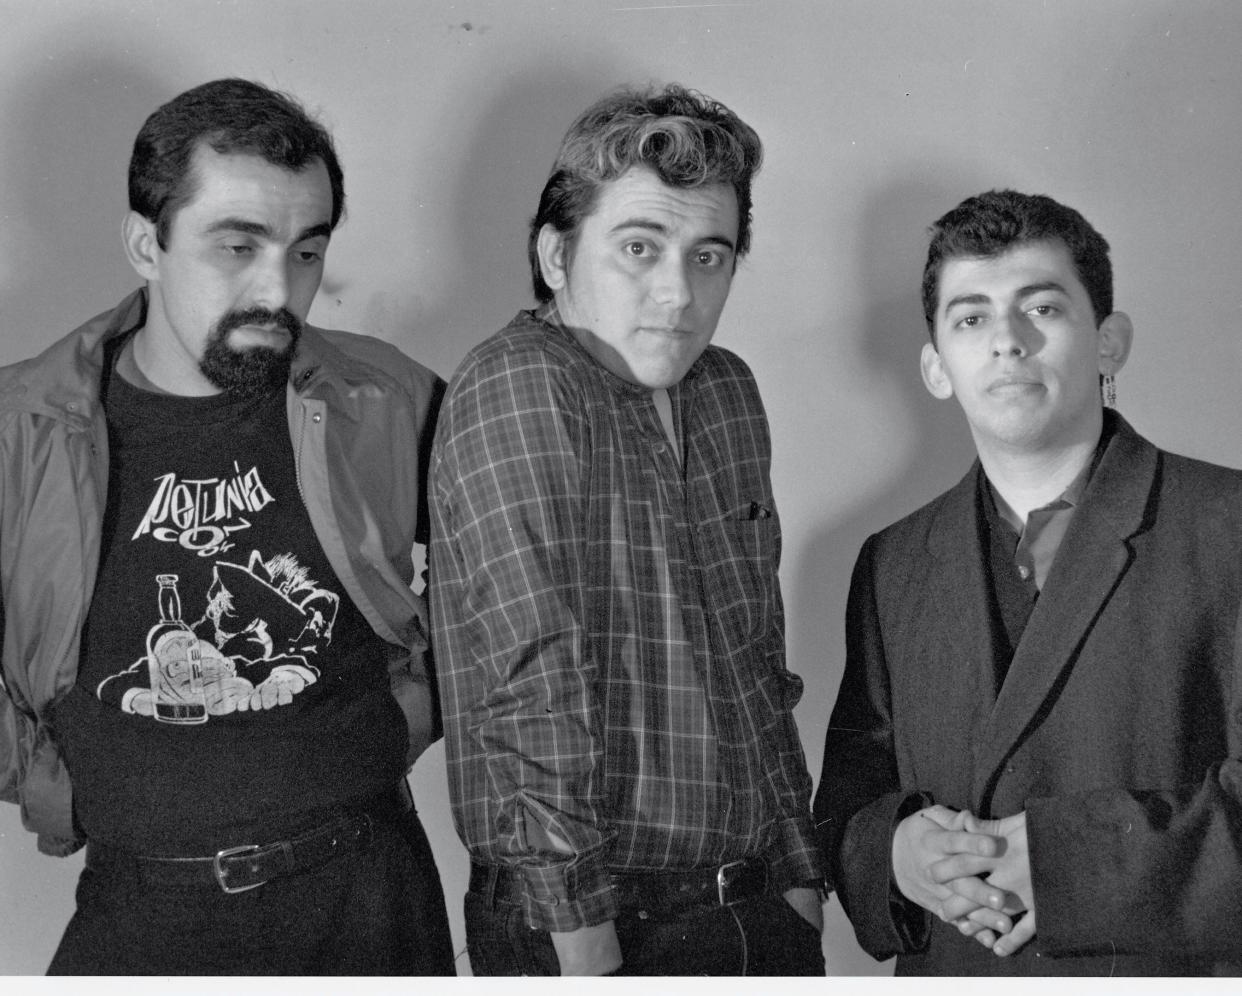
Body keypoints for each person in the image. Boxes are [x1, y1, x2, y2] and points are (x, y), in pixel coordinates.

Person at [0, 78, 454, 975]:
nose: (276, 289)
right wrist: (36, 774)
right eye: (236, 246)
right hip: (144, 907)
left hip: (370, 896)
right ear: (146, 242)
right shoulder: (22, 426)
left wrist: (432, 701)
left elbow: (516, 581)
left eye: (306, 251)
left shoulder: (388, 399)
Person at [429, 84, 825, 976]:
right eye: (639, 249)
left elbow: (753, 653)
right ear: (556, 252)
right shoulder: (520, 384)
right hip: (600, 928)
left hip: (753, 903)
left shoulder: (725, 390)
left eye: (708, 255)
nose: (677, 293)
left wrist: (801, 874)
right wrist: (585, 947)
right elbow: (530, 679)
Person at [814, 189, 1242, 975]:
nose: (1005, 341)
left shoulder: (1228, 526)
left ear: (1109, 342)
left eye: (1041, 308)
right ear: (937, 367)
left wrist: (1068, 866)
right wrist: (898, 852)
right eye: (971, 318)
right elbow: (847, 804)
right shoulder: (893, 562)